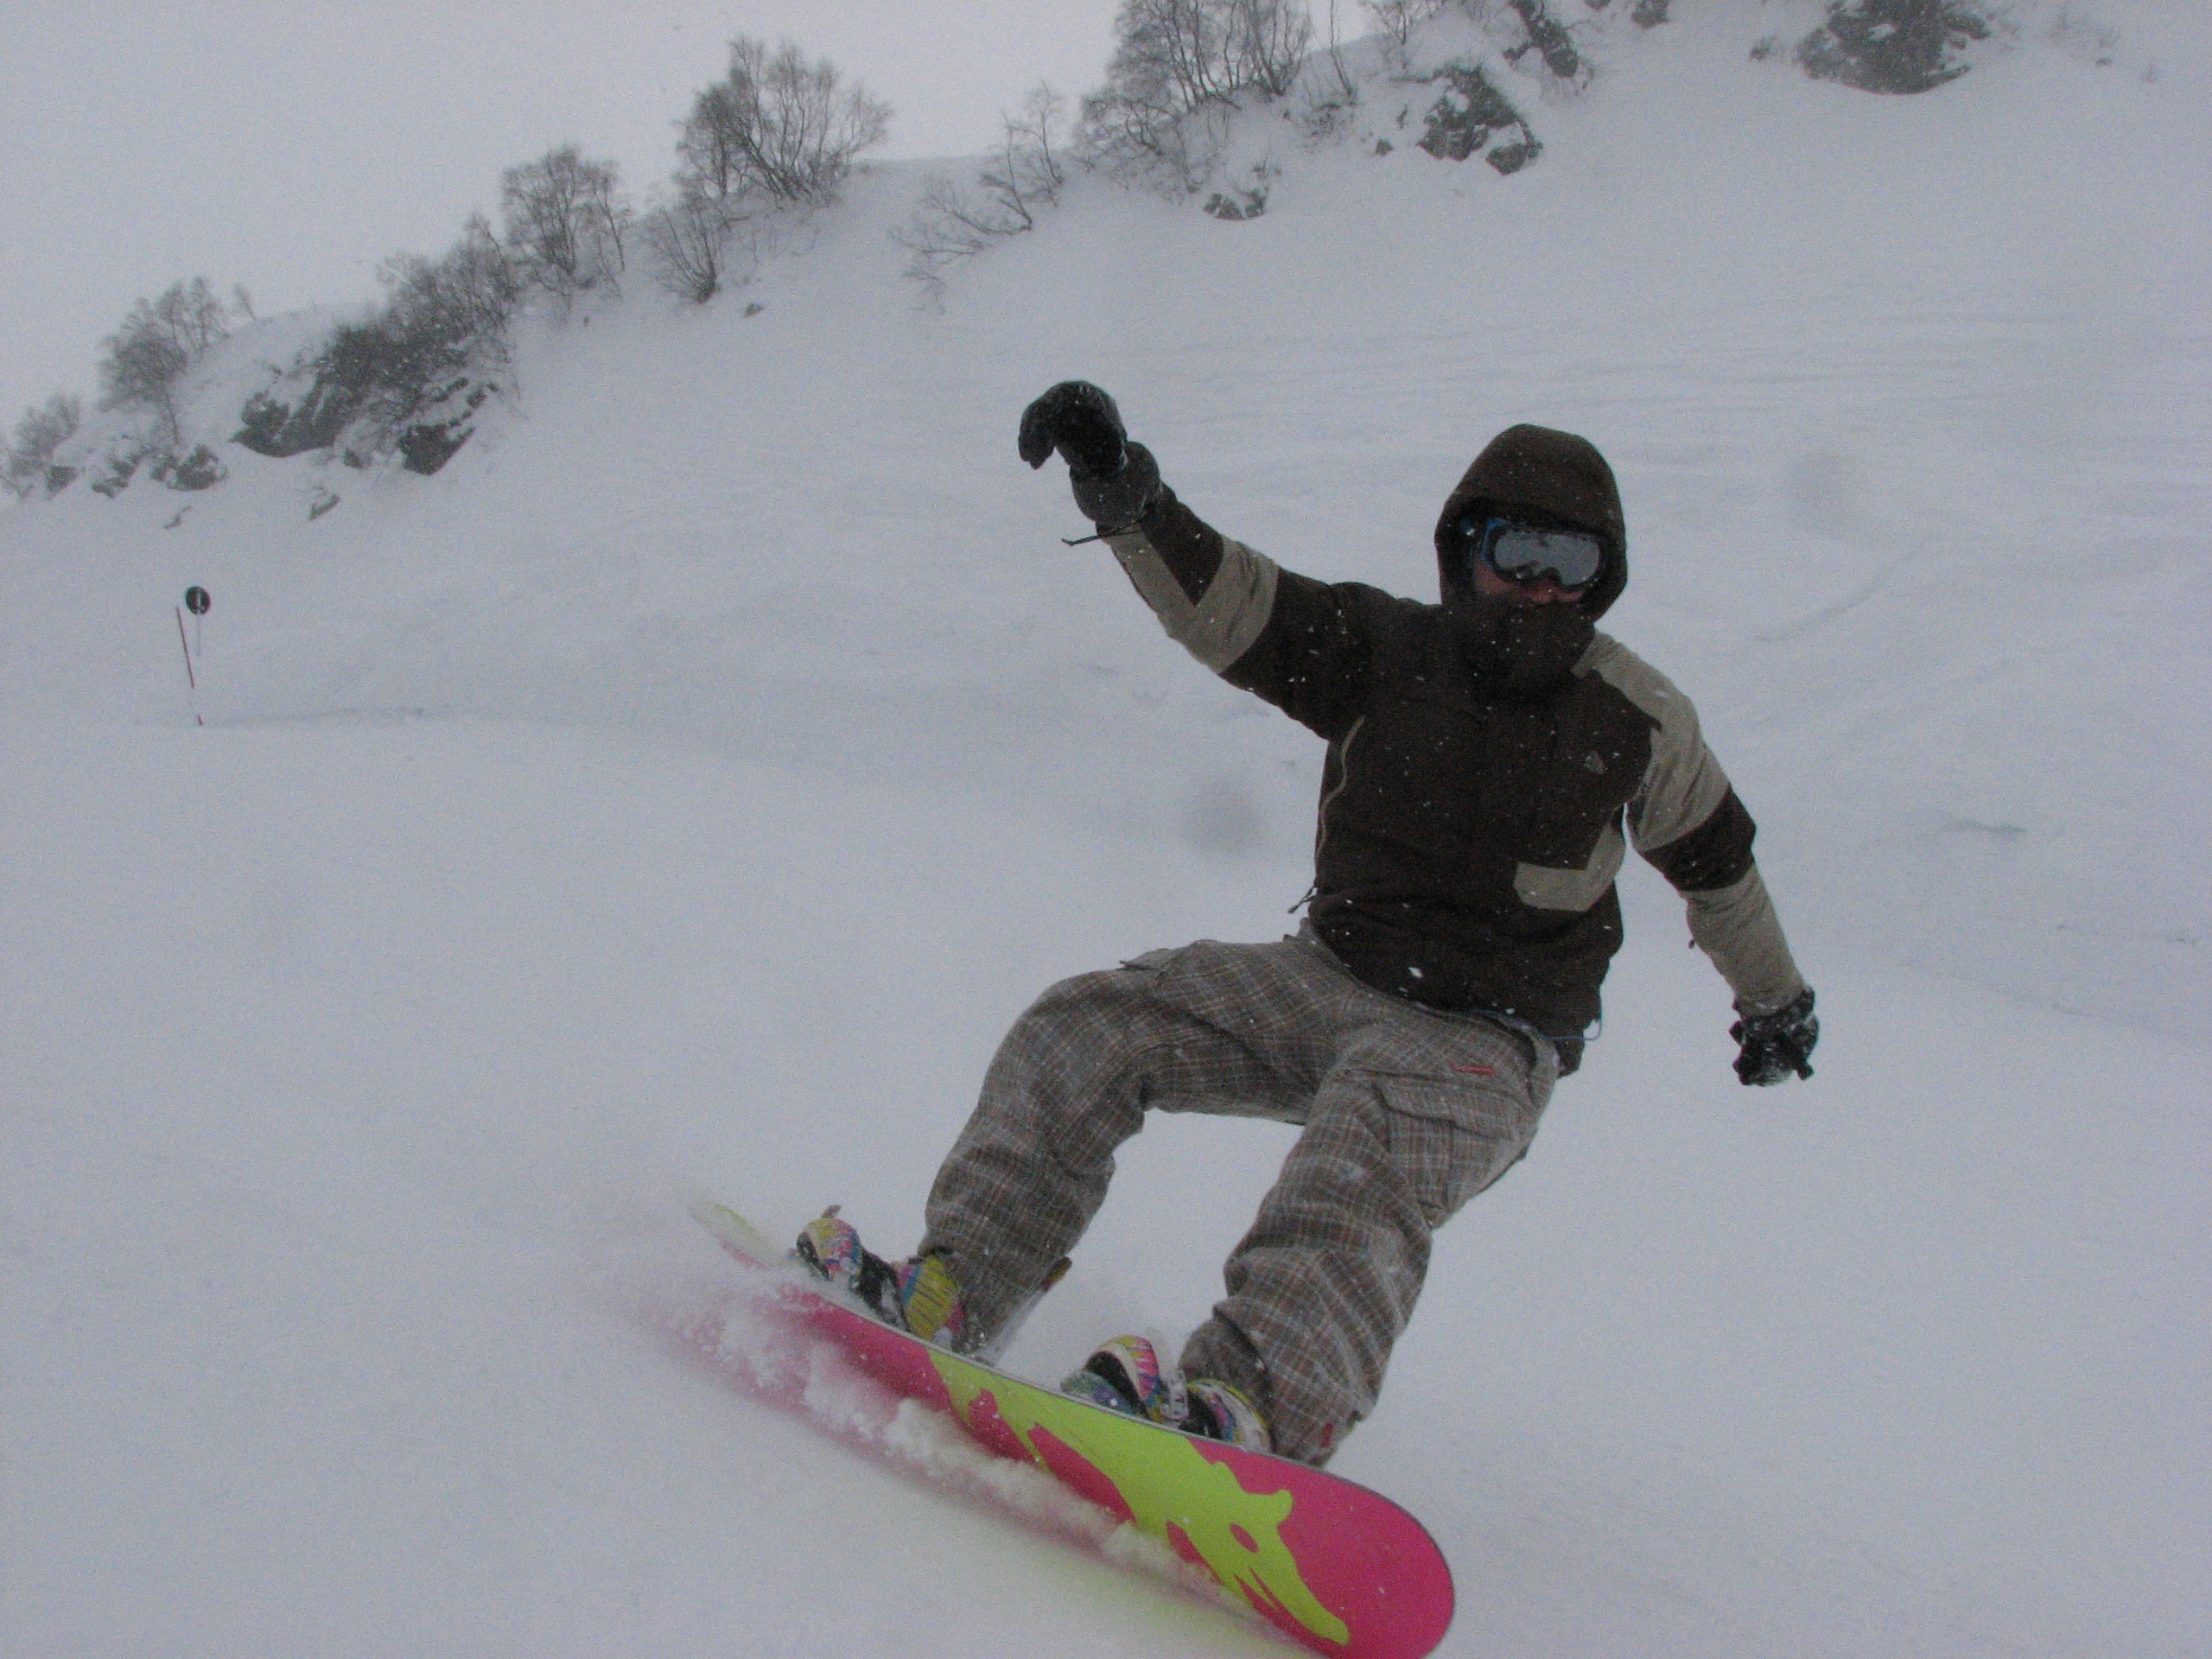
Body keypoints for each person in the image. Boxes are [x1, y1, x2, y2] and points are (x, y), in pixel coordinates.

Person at [796, 382, 1818, 1466]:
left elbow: (1720, 871)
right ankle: (956, 1291)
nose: (1538, 584)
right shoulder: (1386, 650)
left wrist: (1776, 1002)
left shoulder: (1638, 718)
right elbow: (1232, 605)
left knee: (1367, 1138)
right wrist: (1125, 495)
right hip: (1330, 980)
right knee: (1090, 1024)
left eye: (1570, 562)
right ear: (1465, 550)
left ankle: (1248, 1411)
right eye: (1517, 550)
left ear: (1600, 579)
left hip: (1490, 1042)